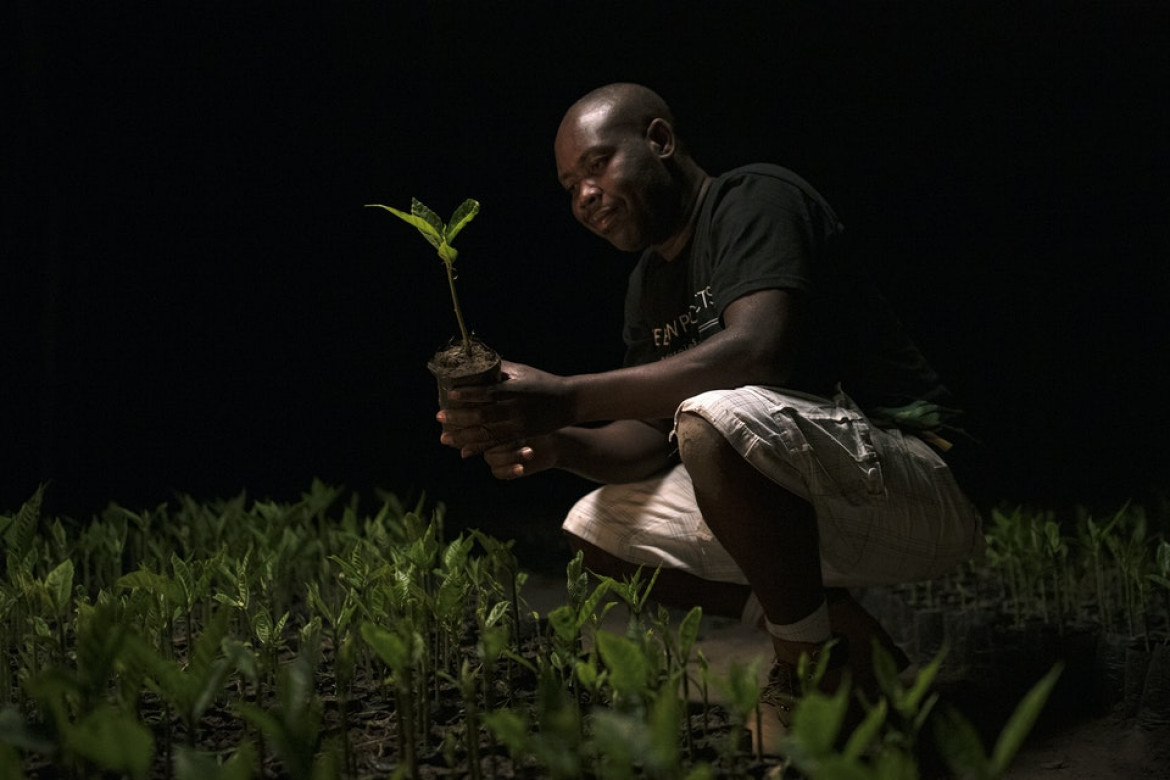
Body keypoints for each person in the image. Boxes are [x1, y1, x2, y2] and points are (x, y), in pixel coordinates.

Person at [435, 83, 986, 723]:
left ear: (660, 141)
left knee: (710, 417)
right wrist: (554, 443)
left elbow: (758, 351)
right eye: (568, 186)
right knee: (596, 530)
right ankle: (836, 631)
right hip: (812, 499)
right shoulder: (649, 282)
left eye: (597, 165)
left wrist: (564, 397)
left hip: (922, 482)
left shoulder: (755, 199)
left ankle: (808, 666)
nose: (584, 196)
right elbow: (644, 440)